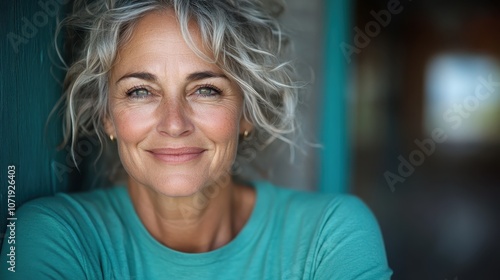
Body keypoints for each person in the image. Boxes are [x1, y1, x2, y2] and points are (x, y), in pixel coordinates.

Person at [0, 0, 392, 279]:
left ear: (246, 113)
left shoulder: (330, 235)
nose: (174, 123)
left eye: (206, 89)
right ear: (108, 117)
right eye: (140, 91)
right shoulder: (49, 238)